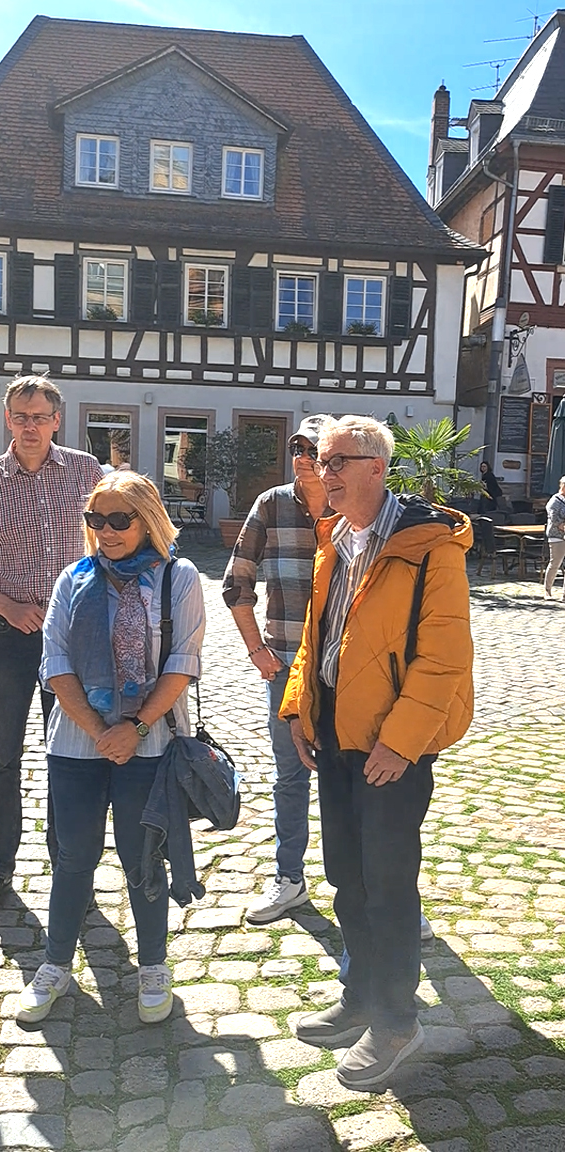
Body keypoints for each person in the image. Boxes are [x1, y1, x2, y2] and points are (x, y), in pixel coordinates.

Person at [281, 415, 473, 1090]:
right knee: (347, 876)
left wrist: (399, 743)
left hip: (392, 747)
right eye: (319, 459)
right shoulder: (334, 535)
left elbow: (444, 657)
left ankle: (396, 1021)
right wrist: (299, 708)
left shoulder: (430, 545)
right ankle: (361, 996)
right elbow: (316, 637)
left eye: (338, 461)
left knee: (388, 885)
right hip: (336, 736)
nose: (323, 472)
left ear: (376, 468)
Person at [16, 472, 205, 1025]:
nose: (107, 530)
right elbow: (55, 661)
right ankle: (55, 964)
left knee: (142, 856)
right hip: (76, 744)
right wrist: (101, 730)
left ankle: (153, 966)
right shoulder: (72, 578)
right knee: (73, 856)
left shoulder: (178, 578)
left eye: (120, 519)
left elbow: (182, 664)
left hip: (149, 744)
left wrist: (135, 728)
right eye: (96, 520)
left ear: (148, 520)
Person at [0, 376, 104, 920]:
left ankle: (73, 873)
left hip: (74, 636)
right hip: (8, 634)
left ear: (57, 420)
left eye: (39, 417)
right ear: (7, 419)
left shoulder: (87, 473)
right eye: (20, 416)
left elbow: (117, 542)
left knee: (74, 755)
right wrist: (8, 607)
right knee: (0, 756)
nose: (29, 426)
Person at [223, 415, 331, 923]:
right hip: (286, 664)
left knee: (352, 774)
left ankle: (371, 885)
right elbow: (236, 582)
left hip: (348, 666)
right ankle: (290, 878)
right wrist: (256, 650)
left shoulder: (354, 509)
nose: (303, 458)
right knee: (290, 775)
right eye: (297, 448)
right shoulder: (272, 504)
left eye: (314, 449)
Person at [544, 475, 565, 599]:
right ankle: (547, 590)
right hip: (557, 535)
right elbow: (554, 518)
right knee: (555, 563)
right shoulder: (555, 500)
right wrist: (562, 525)